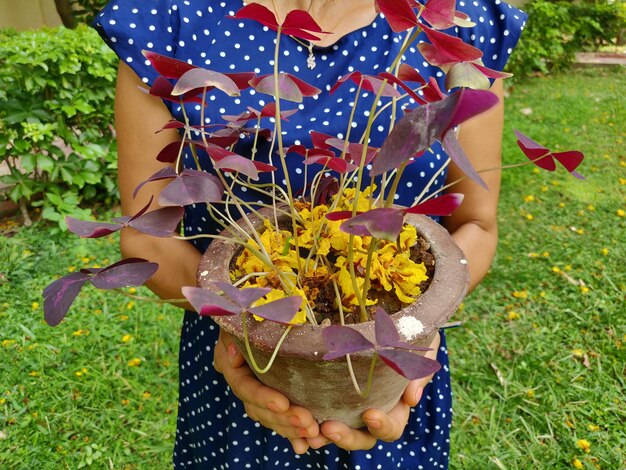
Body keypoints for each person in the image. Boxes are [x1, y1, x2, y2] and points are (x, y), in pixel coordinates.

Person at [94, 0, 526, 468]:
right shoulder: (165, 18)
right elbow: (146, 233)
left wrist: (413, 336)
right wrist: (238, 332)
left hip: (396, 372)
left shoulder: (462, 22)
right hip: (236, 365)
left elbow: (476, 224)